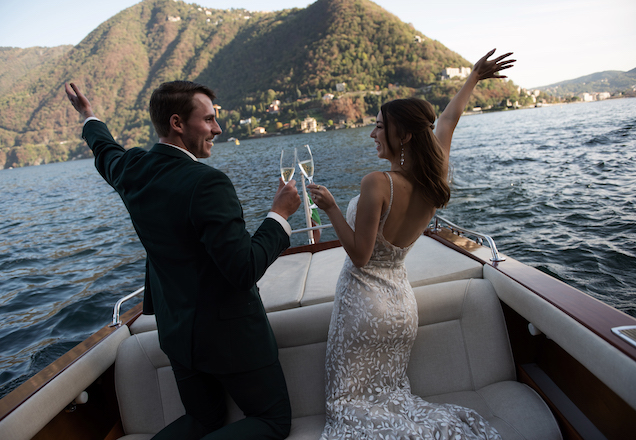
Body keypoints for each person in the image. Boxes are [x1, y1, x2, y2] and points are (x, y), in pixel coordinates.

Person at [65, 80, 301, 439]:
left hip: (177, 334)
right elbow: (244, 269)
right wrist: (279, 216)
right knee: (272, 422)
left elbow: (103, 148)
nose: (217, 129)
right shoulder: (207, 183)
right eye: (208, 120)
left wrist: (88, 115)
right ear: (177, 123)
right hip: (233, 337)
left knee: (204, 419)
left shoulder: (131, 169)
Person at [308, 49, 515, 439]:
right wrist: (473, 77)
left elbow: (361, 255)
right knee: (389, 397)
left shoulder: (377, 183)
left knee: (349, 406)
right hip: (401, 306)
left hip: (363, 303)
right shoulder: (432, 181)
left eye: (379, 126)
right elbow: (449, 119)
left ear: (401, 134)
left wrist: (333, 207)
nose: (372, 134)